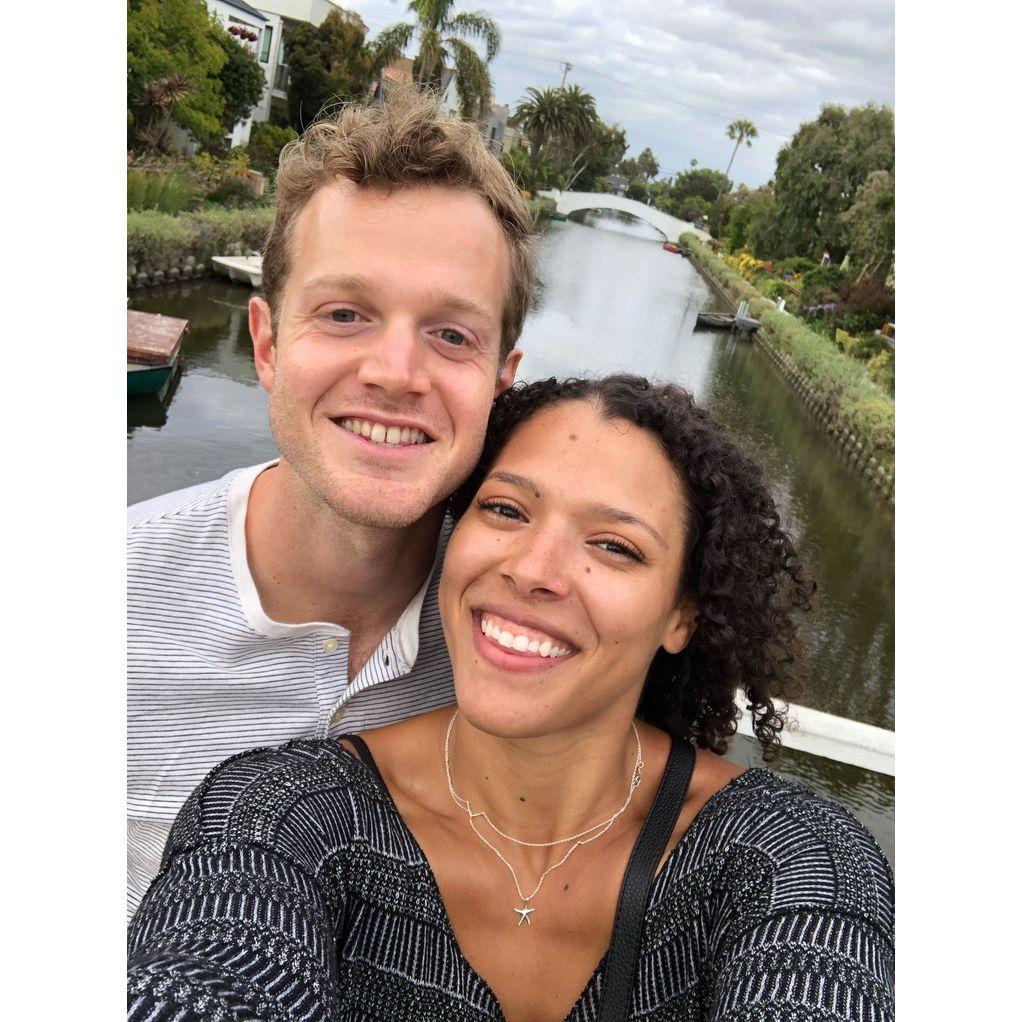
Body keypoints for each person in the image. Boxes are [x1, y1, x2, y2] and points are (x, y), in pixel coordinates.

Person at [128, 376, 894, 1021]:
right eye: (506, 510)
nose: (535, 570)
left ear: (682, 615)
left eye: (614, 547)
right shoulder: (284, 816)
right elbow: (215, 964)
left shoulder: (794, 864)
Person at [126, 91, 535, 918]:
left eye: (451, 335)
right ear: (268, 344)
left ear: (501, 380)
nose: (395, 372)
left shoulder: (529, 643)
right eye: (345, 314)